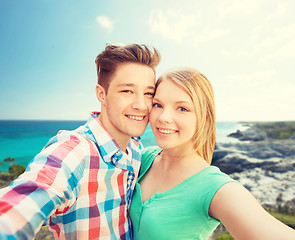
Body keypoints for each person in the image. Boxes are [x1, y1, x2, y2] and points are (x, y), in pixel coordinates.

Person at [0, 43, 160, 239]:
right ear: (102, 94)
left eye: (148, 93)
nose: (141, 105)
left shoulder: (135, 148)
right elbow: (20, 205)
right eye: (127, 91)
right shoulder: (76, 151)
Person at [129, 68, 295, 239]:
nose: (163, 117)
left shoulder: (215, 188)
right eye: (158, 105)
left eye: (182, 108)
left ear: (204, 117)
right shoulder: (141, 158)